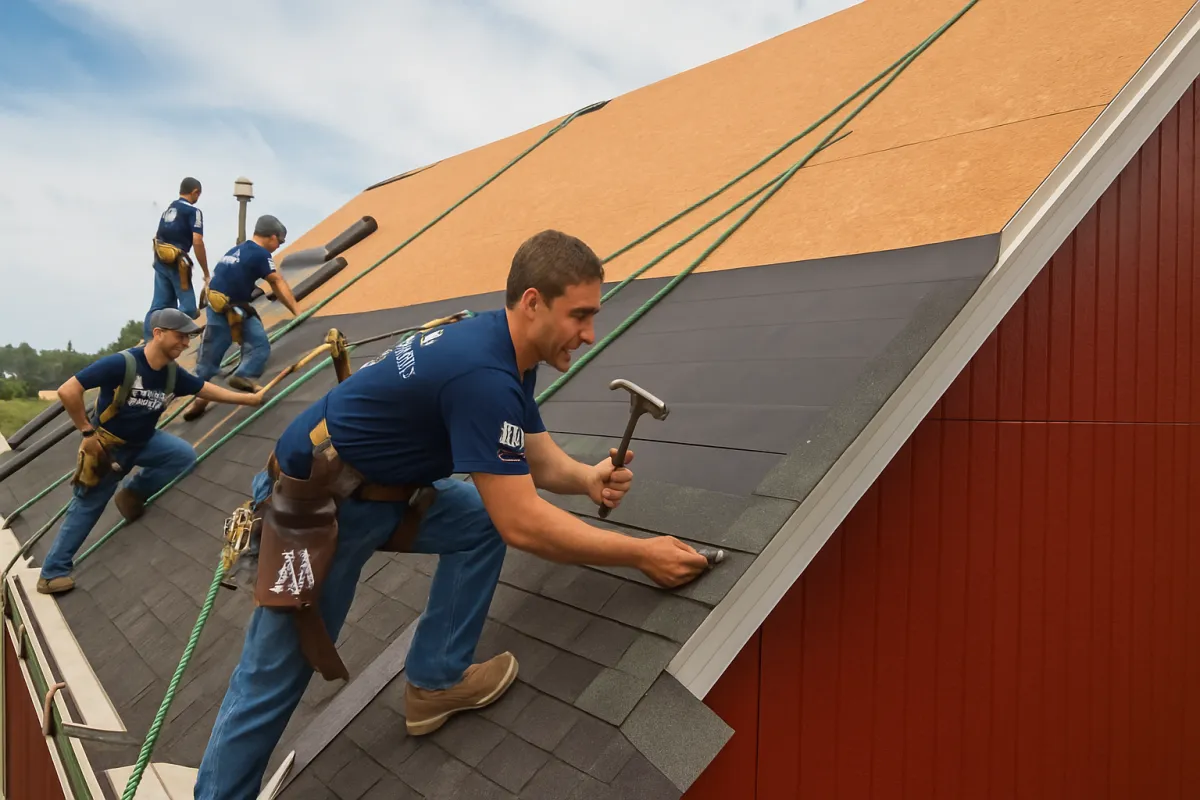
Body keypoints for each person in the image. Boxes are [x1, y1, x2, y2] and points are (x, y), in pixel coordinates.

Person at [192, 229, 710, 798]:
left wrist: (586, 478)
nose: (590, 334)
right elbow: (524, 522)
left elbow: (531, 453)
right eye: (580, 315)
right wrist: (641, 554)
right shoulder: (483, 376)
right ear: (533, 302)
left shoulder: (506, 347)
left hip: (382, 487)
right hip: (317, 506)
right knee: (272, 680)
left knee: (477, 521)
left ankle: (434, 681)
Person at [37, 308, 267, 596]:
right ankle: (51, 574)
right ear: (158, 334)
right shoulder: (122, 364)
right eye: (180, 337)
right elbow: (68, 390)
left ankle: (133, 492)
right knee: (87, 507)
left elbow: (204, 389)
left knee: (182, 456)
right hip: (108, 448)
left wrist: (248, 399)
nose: (185, 343)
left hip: (144, 442)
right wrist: (86, 431)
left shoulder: (171, 373)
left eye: (188, 338)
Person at [184, 215, 299, 421]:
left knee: (209, 359)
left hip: (218, 306)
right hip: (231, 308)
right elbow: (277, 281)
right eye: (280, 242)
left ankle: (201, 398)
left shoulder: (237, 249)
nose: (278, 246)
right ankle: (241, 376)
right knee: (259, 346)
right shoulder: (260, 254)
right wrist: (297, 312)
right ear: (272, 237)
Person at [144, 177, 210, 341]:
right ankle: (167, 337)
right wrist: (206, 273)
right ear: (195, 192)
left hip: (161, 259)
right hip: (178, 263)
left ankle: (148, 340)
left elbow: (158, 235)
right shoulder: (193, 212)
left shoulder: (168, 210)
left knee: (159, 307)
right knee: (188, 308)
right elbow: (197, 241)